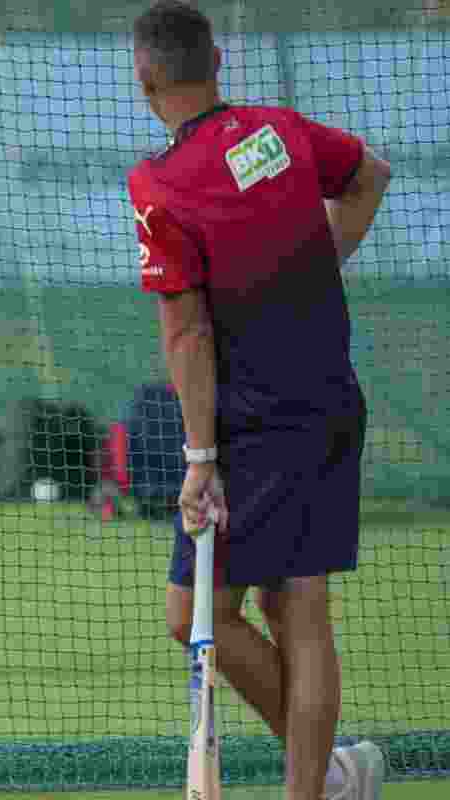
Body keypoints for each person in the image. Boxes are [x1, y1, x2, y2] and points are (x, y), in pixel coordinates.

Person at [126, 4, 392, 800]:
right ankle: (333, 776)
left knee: (264, 609)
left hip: (253, 426)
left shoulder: (158, 183)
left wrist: (199, 456)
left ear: (144, 78)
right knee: (252, 611)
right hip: (328, 404)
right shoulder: (277, 129)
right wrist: (324, 259)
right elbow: (370, 175)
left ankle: (317, 786)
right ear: (219, 59)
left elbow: (186, 332)